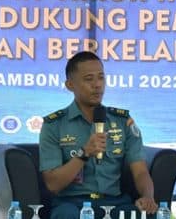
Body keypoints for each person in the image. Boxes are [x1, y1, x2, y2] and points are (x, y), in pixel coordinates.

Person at [38, 51, 158, 219]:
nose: (97, 85)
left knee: (142, 215)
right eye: (89, 79)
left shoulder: (123, 121)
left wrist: (148, 196)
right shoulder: (54, 125)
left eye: (101, 78)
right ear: (70, 85)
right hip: (72, 203)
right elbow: (53, 184)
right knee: (66, 215)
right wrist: (84, 153)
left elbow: (140, 172)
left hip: (115, 203)